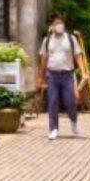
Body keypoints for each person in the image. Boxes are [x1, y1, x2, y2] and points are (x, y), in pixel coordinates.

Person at [36, 12, 81, 140]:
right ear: (51, 26)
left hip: (68, 75)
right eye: (56, 23)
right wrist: (40, 77)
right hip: (52, 75)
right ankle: (53, 128)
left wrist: (83, 71)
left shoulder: (71, 39)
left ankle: (74, 120)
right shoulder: (47, 40)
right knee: (53, 102)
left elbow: (78, 56)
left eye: (60, 22)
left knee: (71, 102)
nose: (59, 25)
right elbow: (43, 60)